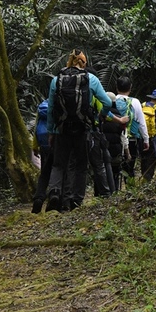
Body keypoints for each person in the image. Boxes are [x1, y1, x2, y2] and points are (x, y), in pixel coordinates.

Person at [45, 49, 126, 212]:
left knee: (60, 165)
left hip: (62, 129)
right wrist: (101, 116)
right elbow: (107, 103)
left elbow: (51, 108)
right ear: (84, 62)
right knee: (81, 165)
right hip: (83, 129)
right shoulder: (92, 79)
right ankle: (76, 200)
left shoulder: (57, 80)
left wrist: (52, 131)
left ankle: (56, 193)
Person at [115, 77, 149, 181]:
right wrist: (146, 139)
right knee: (129, 167)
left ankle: (113, 191)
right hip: (131, 139)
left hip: (115, 139)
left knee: (115, 166)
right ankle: (129, 190)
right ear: (130, 88)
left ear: (116, 88)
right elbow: (141, 122)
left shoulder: (111, 99)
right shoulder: (135, 102)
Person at [31, 99, 53, 213]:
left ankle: (39, 198)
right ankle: (53, 199)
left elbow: (36, 126)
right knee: (58, 170)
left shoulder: (42, 106)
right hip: (56, 140)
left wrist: (35, 145)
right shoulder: (61, 102)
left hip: (43, 142)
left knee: (44, 174)